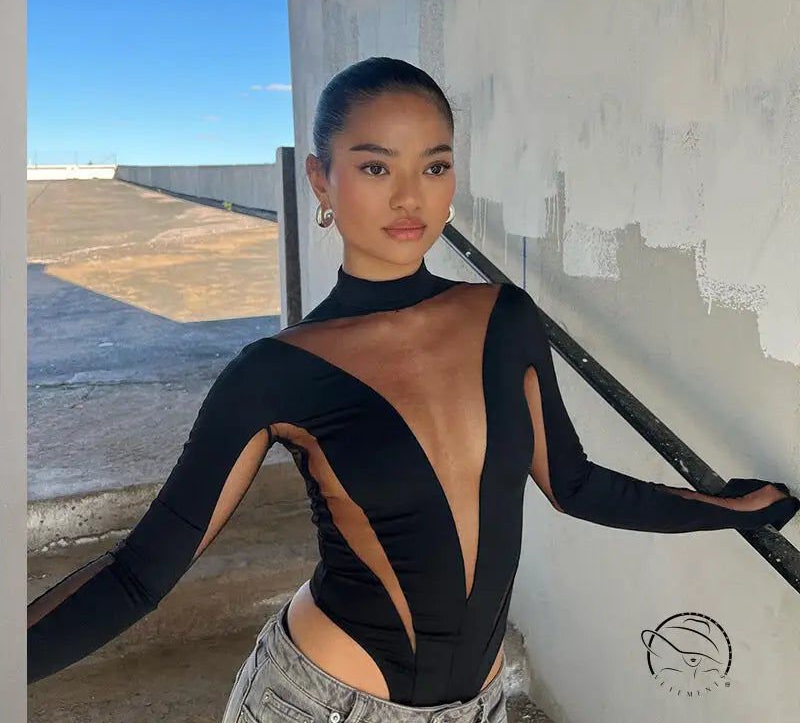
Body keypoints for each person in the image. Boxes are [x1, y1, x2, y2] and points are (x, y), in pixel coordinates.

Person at [28, 57, 799, 723]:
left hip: (479, 705)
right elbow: (136, 574)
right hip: (320, 702)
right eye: (375, 167)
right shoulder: (274, 372)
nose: (410, 198)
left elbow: (573, 484)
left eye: (434, 166)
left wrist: (732, 510)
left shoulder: (505, 317)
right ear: (321, 180)